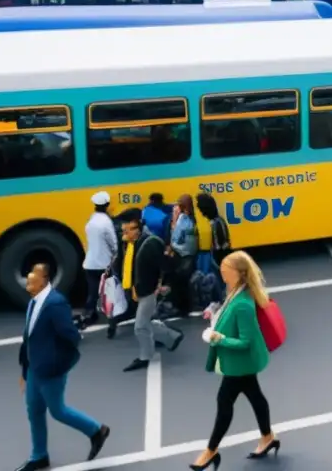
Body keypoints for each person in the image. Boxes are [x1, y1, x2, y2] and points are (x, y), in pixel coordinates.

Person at [189, 251, 279, 470]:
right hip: (244, 363)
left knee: (224, 402)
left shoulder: (242, 304)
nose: (222, 275)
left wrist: (219, 338)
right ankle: (267, 437)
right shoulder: (236, 293)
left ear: (239, 274)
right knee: (255, 395)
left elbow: (245, 342)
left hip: (240, 363)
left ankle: (211, 451)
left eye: (225, 272)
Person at [15, 263, 110, 471]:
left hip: (50, 370)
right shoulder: (34, 302)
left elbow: (72, 337)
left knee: (58, 411)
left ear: (44, 280)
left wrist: (60, 365)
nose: (27, 283)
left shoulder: (55, 303)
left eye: (32, 280)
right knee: (34, 411)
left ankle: (96, 430)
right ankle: (39, 455)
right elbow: (28, 337)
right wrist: (24, 369)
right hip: (33, 368)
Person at [112, 208, 183, 372]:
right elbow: (123, 263)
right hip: (134, 290)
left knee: (140, 326)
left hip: (148, 290)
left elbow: (167, 266)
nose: (123, 233)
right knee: (145, 322)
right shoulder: (128, 243)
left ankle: (146, 357)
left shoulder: (152, 243)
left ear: (137, 228)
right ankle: (172, 336)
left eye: (127, 230)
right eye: (123, 230)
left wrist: (166, 285)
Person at [80, 191, 116, 327]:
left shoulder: (91, 220)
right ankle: (112, 315)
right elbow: (112, 242)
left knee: (93, 291)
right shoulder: (106, 222)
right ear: (106, 205)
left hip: (89, 263)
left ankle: (89, 313)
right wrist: (115, 254)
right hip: (104, 264)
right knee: (110, 290)